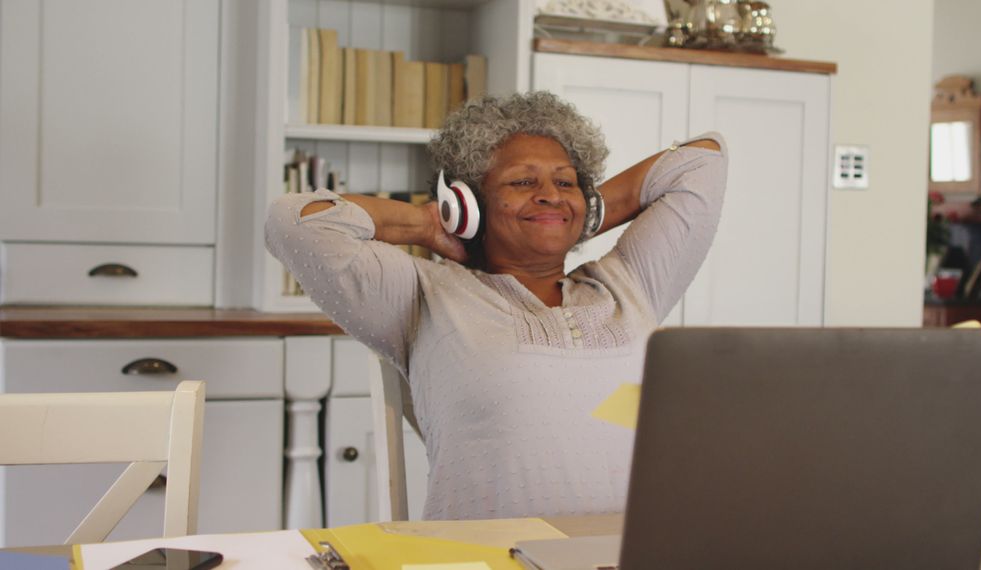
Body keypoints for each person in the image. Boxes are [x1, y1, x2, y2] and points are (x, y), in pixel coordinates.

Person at [265, 91, 727, 520]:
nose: (548, 192)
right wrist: (430, 223)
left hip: (629, 555)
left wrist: (578, 210)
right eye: (523, 181)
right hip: (489, 560)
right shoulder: (425, 294)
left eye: (565, 181)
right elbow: (293, 223)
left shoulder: (629, 282)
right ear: (469, 204)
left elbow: (704, 159)